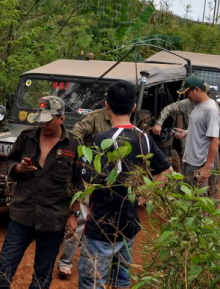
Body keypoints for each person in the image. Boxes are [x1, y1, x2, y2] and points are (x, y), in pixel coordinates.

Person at [78, 81, 172, 289]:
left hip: (101, 225)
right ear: (133, 107)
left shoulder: (103, 139)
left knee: (92, 282)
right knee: (121, 281)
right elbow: (167, 172)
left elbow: (87, 181)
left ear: (106, 106)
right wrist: (146, 193)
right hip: (128, 224)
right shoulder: (143, 138)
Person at [0, 96, 81, 289]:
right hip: (22, 215)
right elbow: (11, 162)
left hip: (53, 219)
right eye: (40, 119)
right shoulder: (27, 137)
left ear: (61, 118)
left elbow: (79, 184)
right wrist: (19, 169)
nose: (43, 124)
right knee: (3, 270)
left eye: (48, 120)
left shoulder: (73, 144)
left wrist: (73, 215)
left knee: (42, 277)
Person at [55, 107, 112, 278]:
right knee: (79, 219)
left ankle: (101, 265)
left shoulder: (122, 117)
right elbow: (76, 135)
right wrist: (85, 157)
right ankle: (65, 262)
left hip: (110, 179)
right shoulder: (94, 117)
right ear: (107, 104)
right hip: (89, 177)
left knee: (106, 222)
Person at [171, 76, 220, 200]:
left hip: (198, 163)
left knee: (196, 201)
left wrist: (207, 167)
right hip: (189, 160)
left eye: (188, 92)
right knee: (184, 198)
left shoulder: (210, 110)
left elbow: (214, 139)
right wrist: (186, 132)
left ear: (197, 90)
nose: (187, 96)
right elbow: (203, 129)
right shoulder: (199, 105)